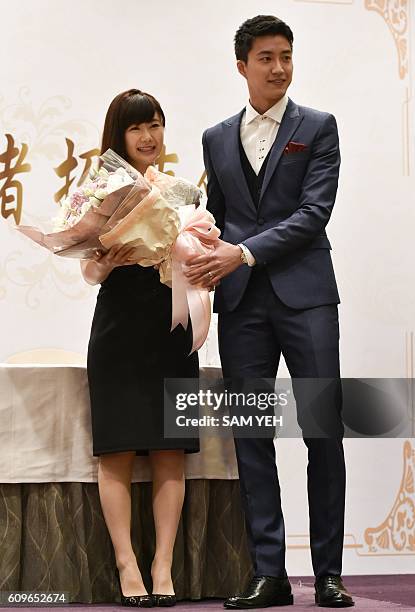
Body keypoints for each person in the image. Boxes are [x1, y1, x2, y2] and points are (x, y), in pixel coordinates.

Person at [186, 15, 354, 609]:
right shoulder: (215, 137)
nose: (279, 67)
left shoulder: (319, 128)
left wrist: (243, 252)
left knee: (321, 431)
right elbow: (219, 216)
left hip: (306, 299)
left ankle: (329, 573)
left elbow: (314, 214)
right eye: (266, 57)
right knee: (253, 437)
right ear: (242, 66)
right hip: (241, 309)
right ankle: (269, 574)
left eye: (286, 55)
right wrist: (188, 241)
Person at [81, 89, 199, 608]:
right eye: (136, 128)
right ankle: (128, 567)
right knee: (117, 448)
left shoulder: (181, 191)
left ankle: (163, 566)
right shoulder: (98, 189)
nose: (148, 137)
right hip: (118, 327)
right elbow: (88, 270)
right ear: (118, 136)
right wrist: (106, 258)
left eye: (155, 125)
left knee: (172, 448)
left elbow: (198, 255)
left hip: (171, 326)